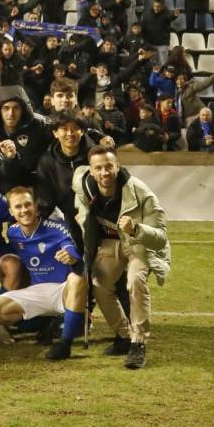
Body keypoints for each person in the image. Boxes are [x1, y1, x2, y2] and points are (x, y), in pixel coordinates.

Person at [73, 146, 169, 369]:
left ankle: (139, 342)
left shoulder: (141, 192)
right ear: (91, 171)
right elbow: (84, 216)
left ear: (118, 166)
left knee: (135, 281)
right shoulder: (84, 187)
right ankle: (124, 336)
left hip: (138, 244)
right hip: (110, 243)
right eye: (98, 168)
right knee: (98, 284)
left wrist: (136, 229)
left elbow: (161, 238)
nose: (104, 173)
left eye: (109, 167)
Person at [0, 186, 87, 360]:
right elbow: (9, 247)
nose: (24, 210)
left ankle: (65, 344)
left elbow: (70, 248)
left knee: (77, 279)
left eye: (28, 205)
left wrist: (71, 257)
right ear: (11, 211)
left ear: (36, 206)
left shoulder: (56, 228)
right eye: (18, 207)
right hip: (35, 291)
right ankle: (47, 322)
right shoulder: (13, 232)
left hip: (61, 290)